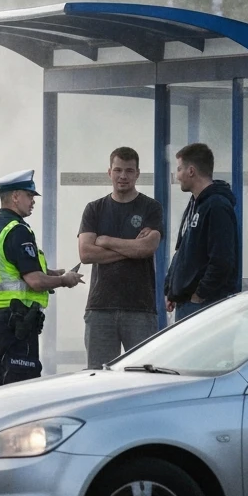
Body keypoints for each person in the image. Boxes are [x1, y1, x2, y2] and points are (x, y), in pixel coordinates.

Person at [0, 170, 84, 387]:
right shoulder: (18, 231)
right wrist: (64, 280)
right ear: (15, 196)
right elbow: (34, 281)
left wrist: (51, 273)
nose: (33, 201)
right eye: (30, 195)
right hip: (18, 322)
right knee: (21, 389)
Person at [77, 147, 164, 368]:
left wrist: (105, 241)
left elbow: (147, 249)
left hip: (140, 309)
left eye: (128, 170)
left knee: (143, 378)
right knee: (98, 378)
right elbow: (86, 254)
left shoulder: (151, 208)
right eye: (117, 170)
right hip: (100, 308)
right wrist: (131, 248)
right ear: (109, 172)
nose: (122, 176)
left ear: (137, 174)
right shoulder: (94, 209)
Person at [164, 142, 240, 320]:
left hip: (205, 306)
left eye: (179, 169)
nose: (177, 176)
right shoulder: (195, 204)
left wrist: (199, 295)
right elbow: (182, 250)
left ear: (191, 171)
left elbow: (222, 260)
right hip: (187, 303)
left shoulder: (216, 206)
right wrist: (171, 289)